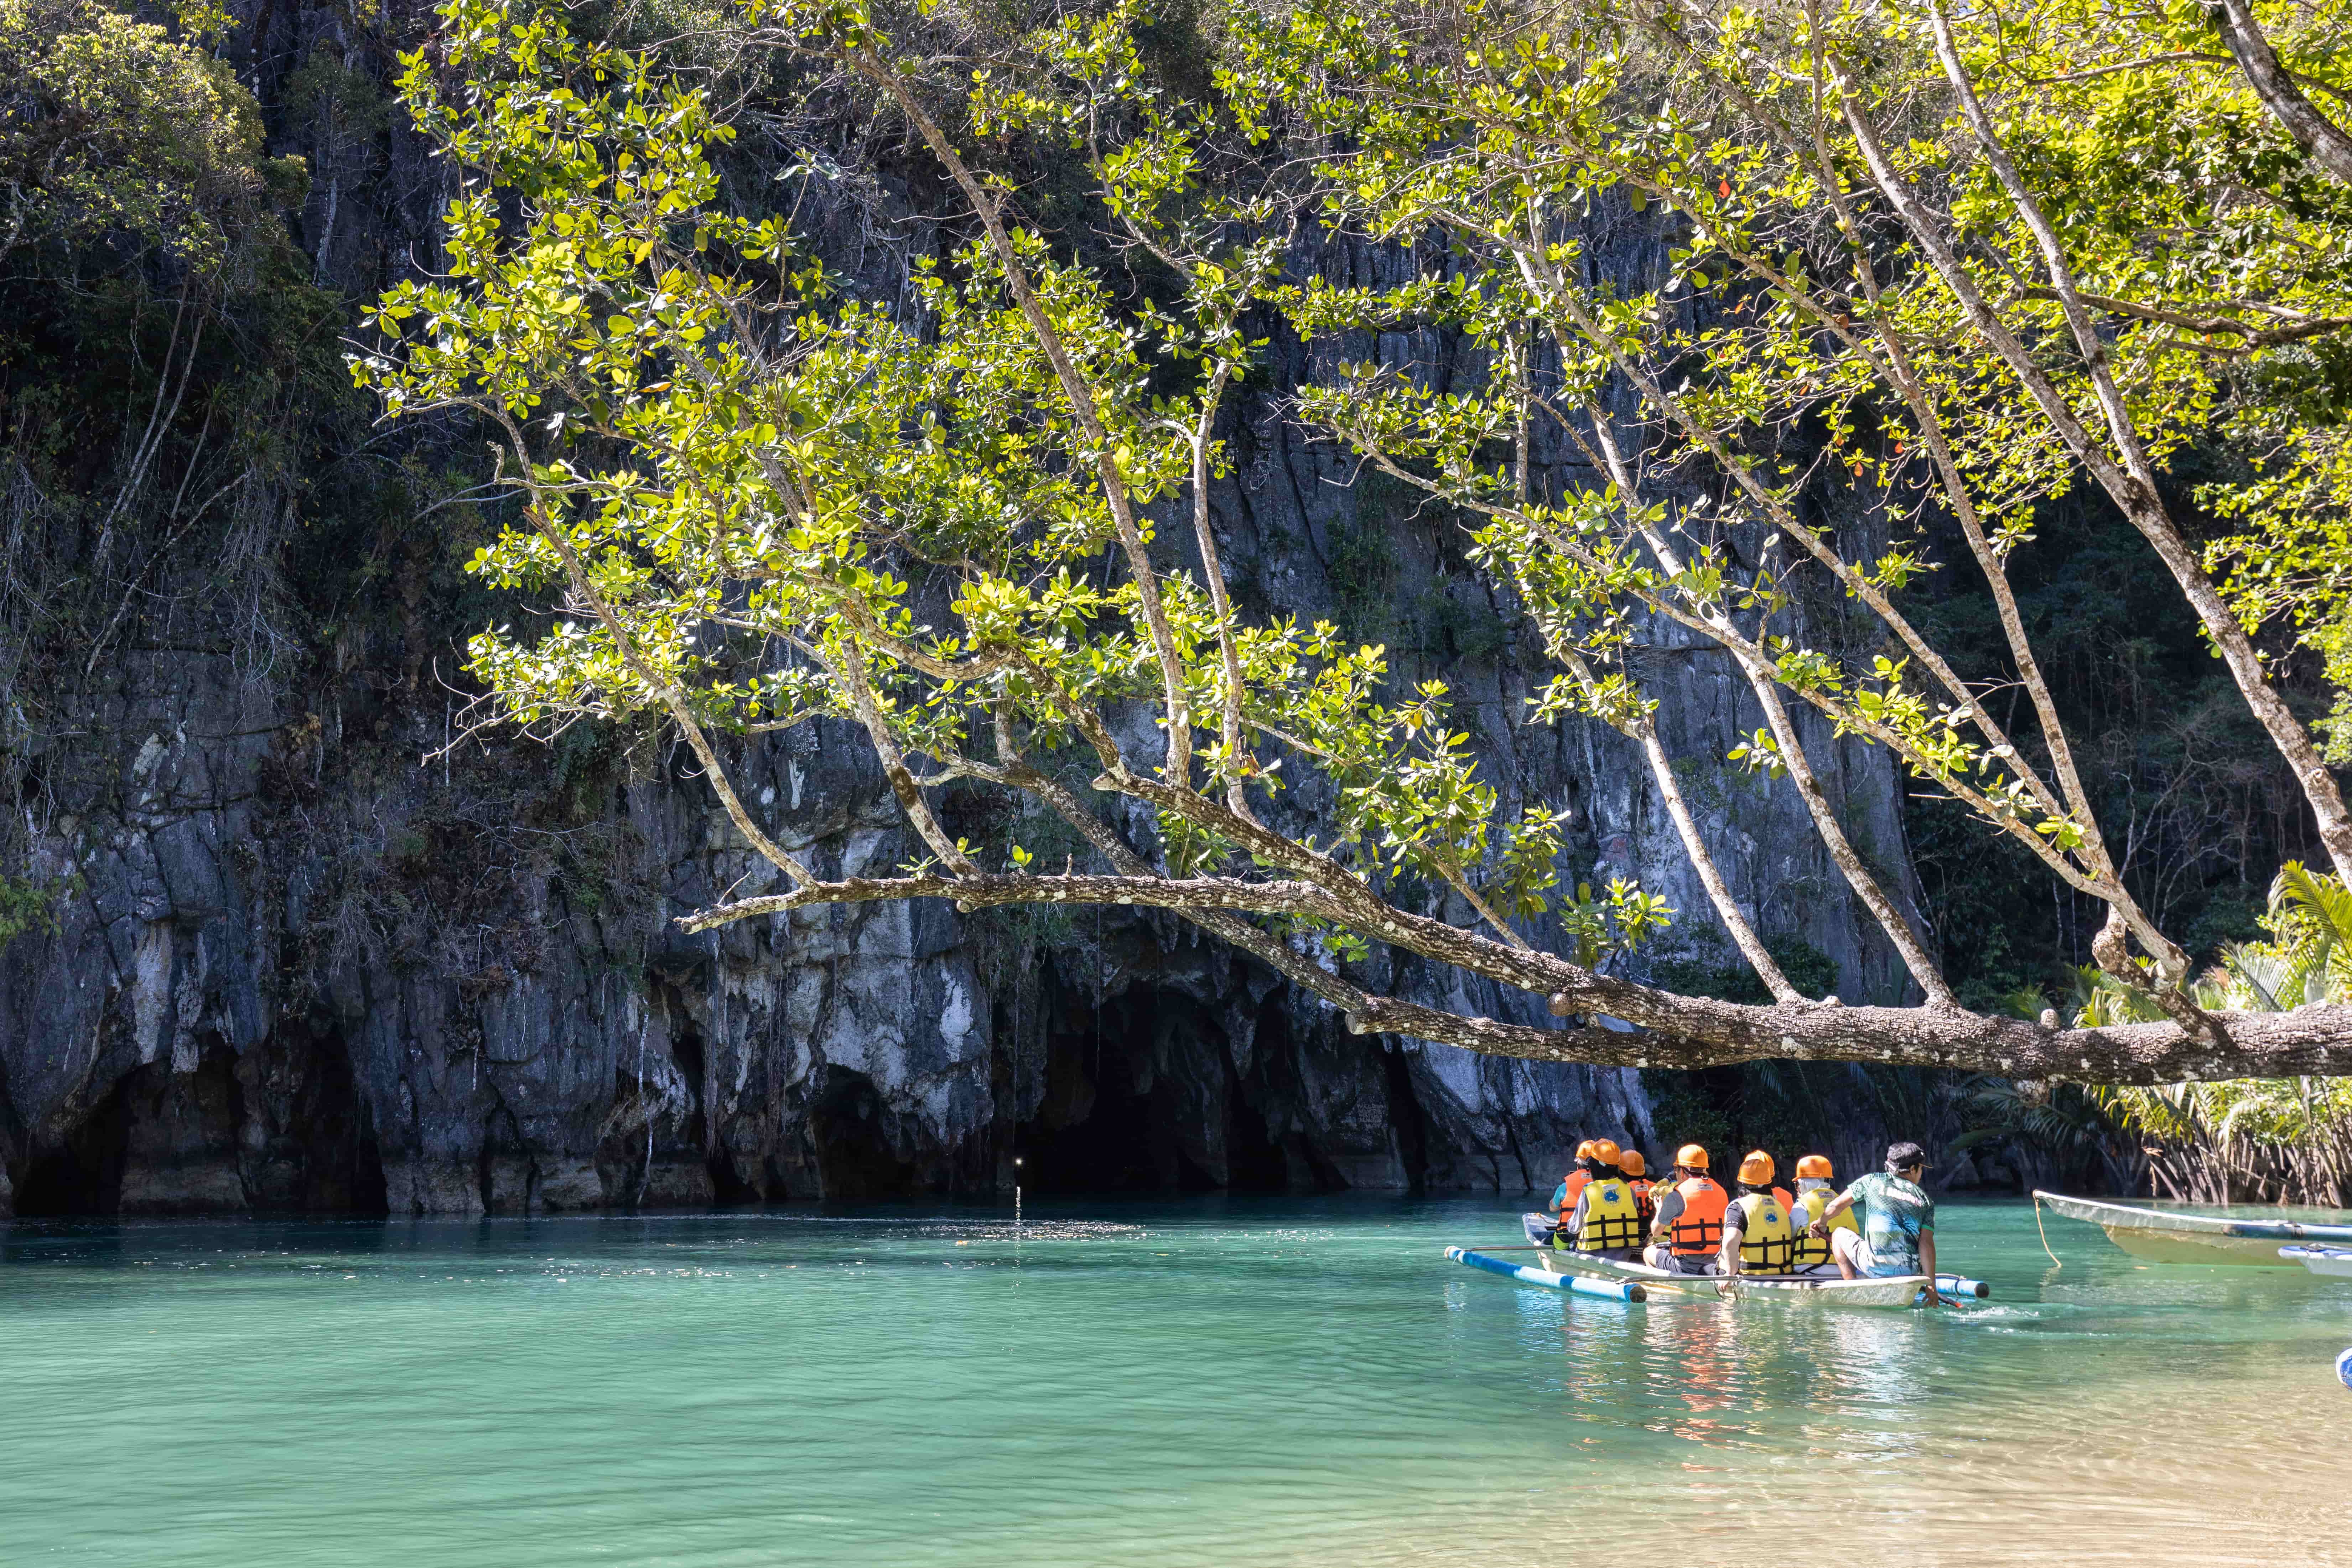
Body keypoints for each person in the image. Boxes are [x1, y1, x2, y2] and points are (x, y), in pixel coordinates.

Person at [1807, 1141, 1946, 1305]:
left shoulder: (1871, 1181)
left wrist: (1821, 1223)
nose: (1921, 1173)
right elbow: (1927, 1244)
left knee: (1838, 1234)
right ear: (1913, 1169)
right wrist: (1932, 1287)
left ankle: (1852, 1290)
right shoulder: (1926, 1201)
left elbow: (1835, 1206)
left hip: (1874, 1267)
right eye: (1921, 1169)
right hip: (1911, 1271)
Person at [1642, 1144, 1727, 1274]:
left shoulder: (1677, 1195)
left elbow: (1656, 1232)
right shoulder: (1721, 1192)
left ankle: (1663, 1288)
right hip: (1717, 1260)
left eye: (1676, 1169)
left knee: (1648, 1252)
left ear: (1682, 1172)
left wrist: (1659, 1209)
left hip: (1686, 1264)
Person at [1560, 1139, 1645, 1260]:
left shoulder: (1588, 1191)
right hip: (1623, 1256)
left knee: (1571, 1242)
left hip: (1591, 1254)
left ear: (1595, 1166)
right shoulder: (1629, 1190)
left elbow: (1574, 1228)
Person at [1717, 1150, 1797, 1279]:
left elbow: (1730, 1242)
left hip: (1751, 1275)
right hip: (1783, 1273)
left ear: (1742, 1182)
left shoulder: (1738, 1207)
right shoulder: (1780, 1205)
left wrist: (1730, 1274)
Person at [1524, 1139, 1602, 1248]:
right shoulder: (1605, 1185)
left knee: (1545, 1243)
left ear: (1579, 1163)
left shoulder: (1565, 1187)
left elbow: (1553, 1208)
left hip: (1567, 1238)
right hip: (1598, 1238)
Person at [1787, 1154, 1856, 1274]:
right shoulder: (1844, 1203)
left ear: (1805, 1183)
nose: (1797, 1188)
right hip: (1844, 1270)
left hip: (1808, 1269)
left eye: (1798, 1184)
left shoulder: (1801, 1206)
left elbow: (1789, 1240)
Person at [1620, 1149, 1654, 1230]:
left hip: (1633, 1233)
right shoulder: (1655, 1186)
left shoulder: (1624, 1190)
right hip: (1653, 1231)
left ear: (1622, 1171)